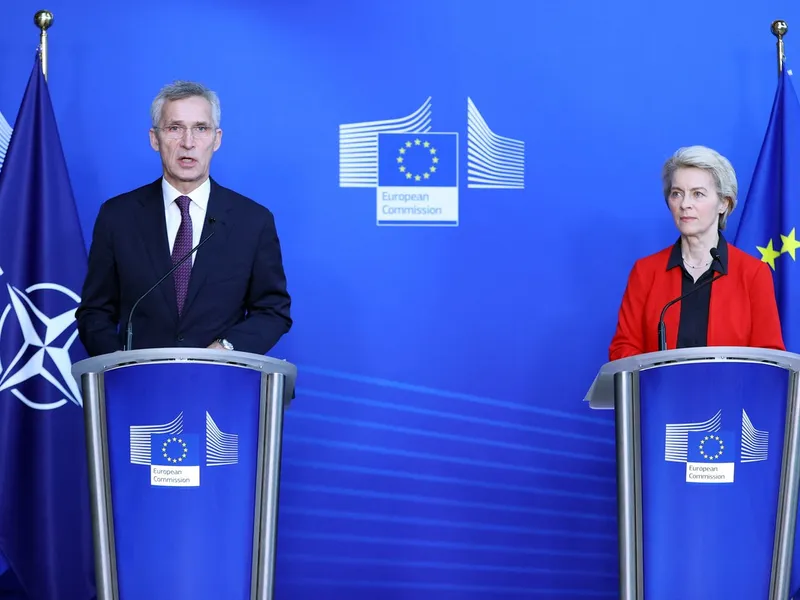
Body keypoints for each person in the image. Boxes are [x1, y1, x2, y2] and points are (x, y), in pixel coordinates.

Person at [76, 80, 291, 356]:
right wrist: (119, 363)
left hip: (221, 384)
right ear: (155, 139)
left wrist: (225, 349)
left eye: (201, 128)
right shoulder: (117, 216)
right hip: (137, 386)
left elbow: (273, 310)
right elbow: (95, 311)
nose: (188, 143)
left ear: (217, 139)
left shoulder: (253, 220)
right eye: (174, 128)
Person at [608, 145, 784, 360]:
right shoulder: (645, 272)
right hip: (658, 393)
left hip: (729, 394)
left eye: (697, 194)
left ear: (723, 203)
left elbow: (769, 357)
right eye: (677, 194)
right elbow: (623, 348)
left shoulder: (753, 273)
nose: (685, 204)